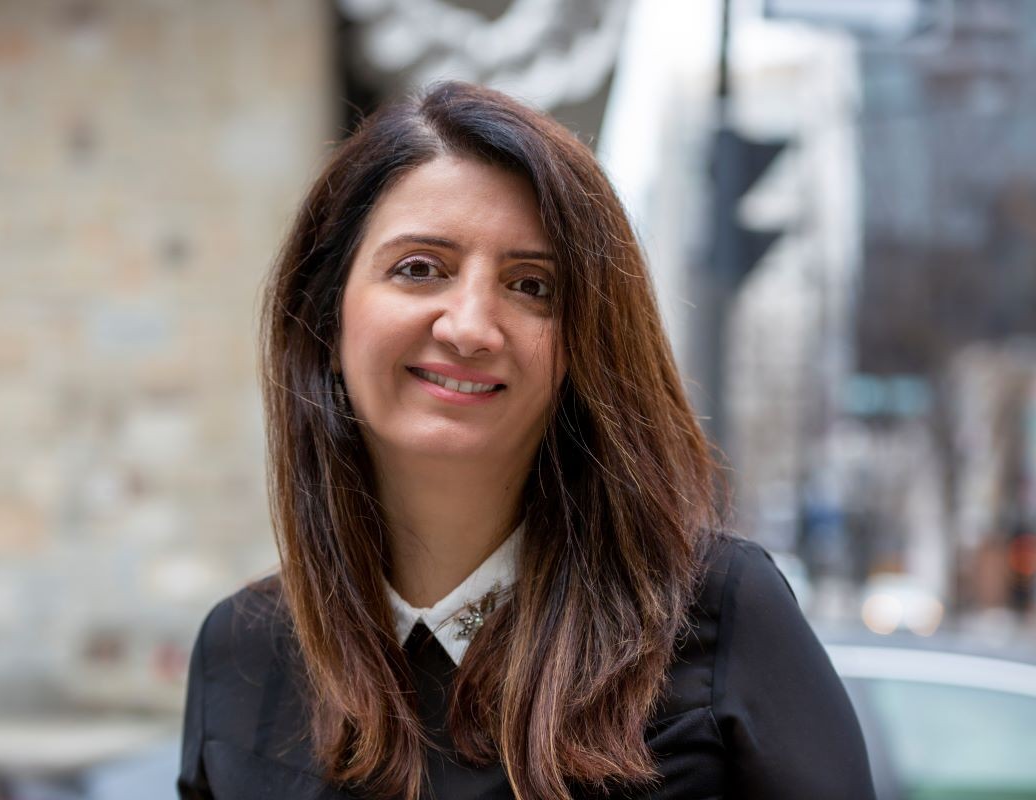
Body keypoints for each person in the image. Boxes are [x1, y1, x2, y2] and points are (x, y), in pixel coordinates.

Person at [177, 81, 876, 800]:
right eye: (420, 269)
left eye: (533, 286)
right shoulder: (242, 652)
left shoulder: (717, 620)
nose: (471, 327)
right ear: (325, 318)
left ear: (583, 349)